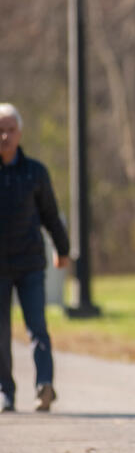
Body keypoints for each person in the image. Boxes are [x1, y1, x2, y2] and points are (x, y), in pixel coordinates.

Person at [0, 104, 70, 413]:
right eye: (0, 130)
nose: (4, 136)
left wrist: (62, 249)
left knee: (37, 327)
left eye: (10, 130)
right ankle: (6, 392)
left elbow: (50, 215)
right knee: (0, 332)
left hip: (30, 263)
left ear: (20, 133)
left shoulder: (35, 172)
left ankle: (44, 385)